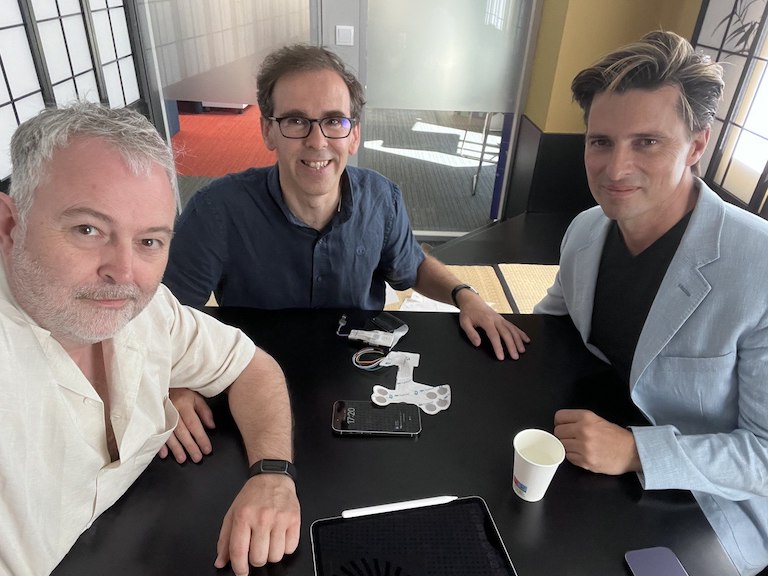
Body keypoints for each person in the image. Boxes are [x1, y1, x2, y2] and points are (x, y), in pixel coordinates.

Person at [0, 103, 300, 576]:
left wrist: (273, 475)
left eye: (149, 242)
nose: (123, 273)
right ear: (9, 225)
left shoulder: (149, 309)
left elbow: (249, 365)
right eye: (88, 229)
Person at [534, 31, 768, 575]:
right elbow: (555, 320)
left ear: (697, 145)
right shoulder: (587, 230)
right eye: (601, 142)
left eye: (647, 142)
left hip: (705, 504)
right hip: (584, 458)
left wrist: (637, 451)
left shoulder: (757, 265)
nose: (615, 170)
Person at [162, 43, 529, 362]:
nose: (317, 141)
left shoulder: (382, 199)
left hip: (357, 364)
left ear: (354, 135)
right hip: (250, 372)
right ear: (268, 131)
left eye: (333, 121)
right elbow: (168, 314)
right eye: (295, 120)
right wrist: (177, 383)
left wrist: (465, 296)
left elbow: (412, 267)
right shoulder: (216, 210)